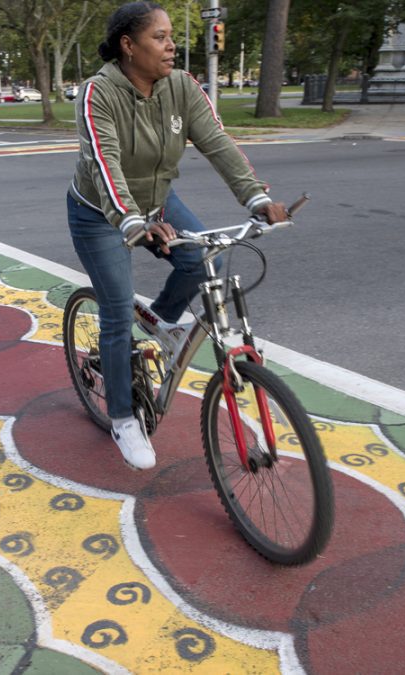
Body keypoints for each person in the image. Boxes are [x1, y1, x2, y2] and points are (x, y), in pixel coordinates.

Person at [68, 1, 288, 470]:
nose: (172, 46)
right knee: (114, 312)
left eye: (172, 36)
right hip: (102, 213)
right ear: (128, 46)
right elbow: (103, 165)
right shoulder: (96, 94)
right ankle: (125, 418)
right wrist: (131, 221)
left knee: (204, 258)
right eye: (160, 37)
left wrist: (255, 198)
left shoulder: (183, 87)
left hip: (158, 200)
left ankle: (163, 321)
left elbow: (218, 142)